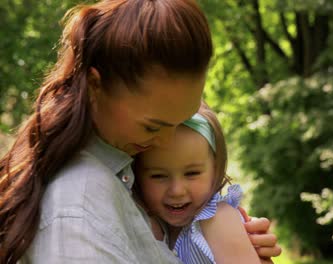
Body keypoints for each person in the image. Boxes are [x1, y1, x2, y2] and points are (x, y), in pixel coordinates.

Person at [0, 0, 281, 263]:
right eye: (153, 126)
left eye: (180, 121)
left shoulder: (128, 177)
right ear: (95, 86)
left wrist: (222, 243)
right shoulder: (79, 206)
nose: (166, 141)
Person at [135, 103, 261, 263]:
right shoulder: (154, 225)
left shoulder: (218, 221)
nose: (176, 191)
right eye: (158, 176)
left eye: (192, 173)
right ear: (138, 175)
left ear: (215, 170)